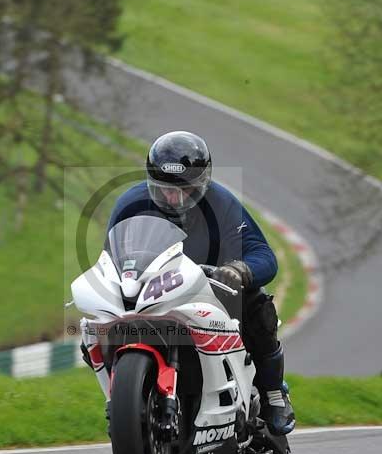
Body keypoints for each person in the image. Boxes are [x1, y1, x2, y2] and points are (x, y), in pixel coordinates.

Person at [106, 130, 295, 437]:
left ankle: (274, 392)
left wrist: (239, 270)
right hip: (150, 294)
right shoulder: (129, 204)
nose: (174, 198)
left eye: (186, 190)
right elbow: (109, 255)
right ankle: (123, 398)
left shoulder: (223, 203)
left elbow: (264, 256)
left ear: (204, 183)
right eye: (164, 189)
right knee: (98, 324)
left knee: (257, 304)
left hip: (208, 293)